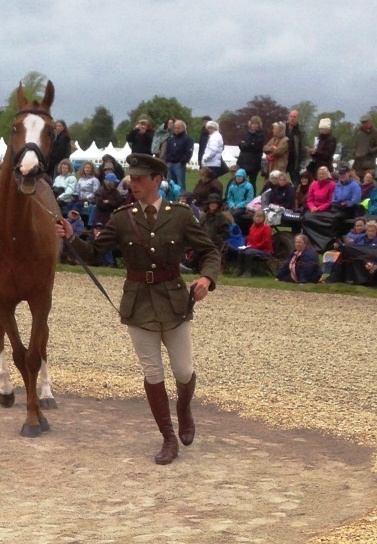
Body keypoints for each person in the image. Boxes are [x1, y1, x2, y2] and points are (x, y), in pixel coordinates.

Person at [56, 153, 220, 466]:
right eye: (132, 177)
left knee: (184, 371)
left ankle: (184, 409)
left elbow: (209, 252)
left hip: (174, 301)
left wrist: (206, 278)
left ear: (158, 180)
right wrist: (72, 236)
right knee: (152, 371)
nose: (134, 183)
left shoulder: (181, 215)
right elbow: (94, 252)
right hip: (138, 302)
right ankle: (168, 438)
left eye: (142, 178)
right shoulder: (121, 217)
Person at [326, 220, 377, 286]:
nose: (370, 233)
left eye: (373, 231)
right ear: (366, 231)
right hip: (359, 259)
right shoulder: (359, 238)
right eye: (369, 231)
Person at [234, 209, 274, 277]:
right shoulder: (252, 228)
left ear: (263, 218)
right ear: (254, 218)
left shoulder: (266, 228)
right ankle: (240, 270)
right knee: (241, 250)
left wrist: (253, 247)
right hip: (253, 248)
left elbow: (265, 242)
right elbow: (250, 240)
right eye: (257, 217)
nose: (258, 218)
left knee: (248, 252)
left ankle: (248, 272)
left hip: (265, 251)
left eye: (260, 217)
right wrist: (248, 246)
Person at [164, 120, 194, 191]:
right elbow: (167, 150)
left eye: (178, 128)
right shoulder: (171, 139)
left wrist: (182, 161)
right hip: (170, 163)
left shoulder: (187, 139)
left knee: (180, 184)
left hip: (179, 165)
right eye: (175, 128)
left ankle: (181, 199)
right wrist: (167, 159)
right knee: (171, 184)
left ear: (183, 128)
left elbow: (188, 152)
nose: (176, 130)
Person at [236, 116, 265, 189]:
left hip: (254, 163)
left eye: (256, 124)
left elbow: (256, 147)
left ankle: (252, 198)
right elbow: (241, 145)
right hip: (243, 160)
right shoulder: (246, 133)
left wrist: (247, 144)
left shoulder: (260, 135)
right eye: (253, 123)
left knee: (252, 182)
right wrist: (249, 144)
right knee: (240, 180)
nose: (254, 125)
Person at [226, 168, 255, 234]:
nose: (238, 178)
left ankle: (235, 231)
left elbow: (249, 199)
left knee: (235, 215)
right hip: (232, 206)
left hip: (243, 207)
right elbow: (229, 197)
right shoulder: (232, 185)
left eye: (240, 177)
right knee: (227, 215)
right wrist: (232, 205)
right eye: (237, 176)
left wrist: (238, 206)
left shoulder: (249, 186)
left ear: (243, 177)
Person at [286, 110, 308, 187]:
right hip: (284, 160)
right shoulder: (283, 129)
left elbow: (303, 148)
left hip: (295, 161)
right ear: (288, 117)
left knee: (296, 183)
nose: (292, 118)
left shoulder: (301, 132)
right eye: (291, 116)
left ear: (297, 118)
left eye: (294, 117)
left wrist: (302, 162)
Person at [353, 114, 377, 180]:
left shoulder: (375, 133)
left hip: (369, 165)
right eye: (362, 122)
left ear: (370, 122)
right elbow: (356, 146)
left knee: (368, 184)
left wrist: (370, 150)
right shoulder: (360, 134)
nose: (364, 124)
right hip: (358, 165)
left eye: (366, 122)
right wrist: (355, 152)